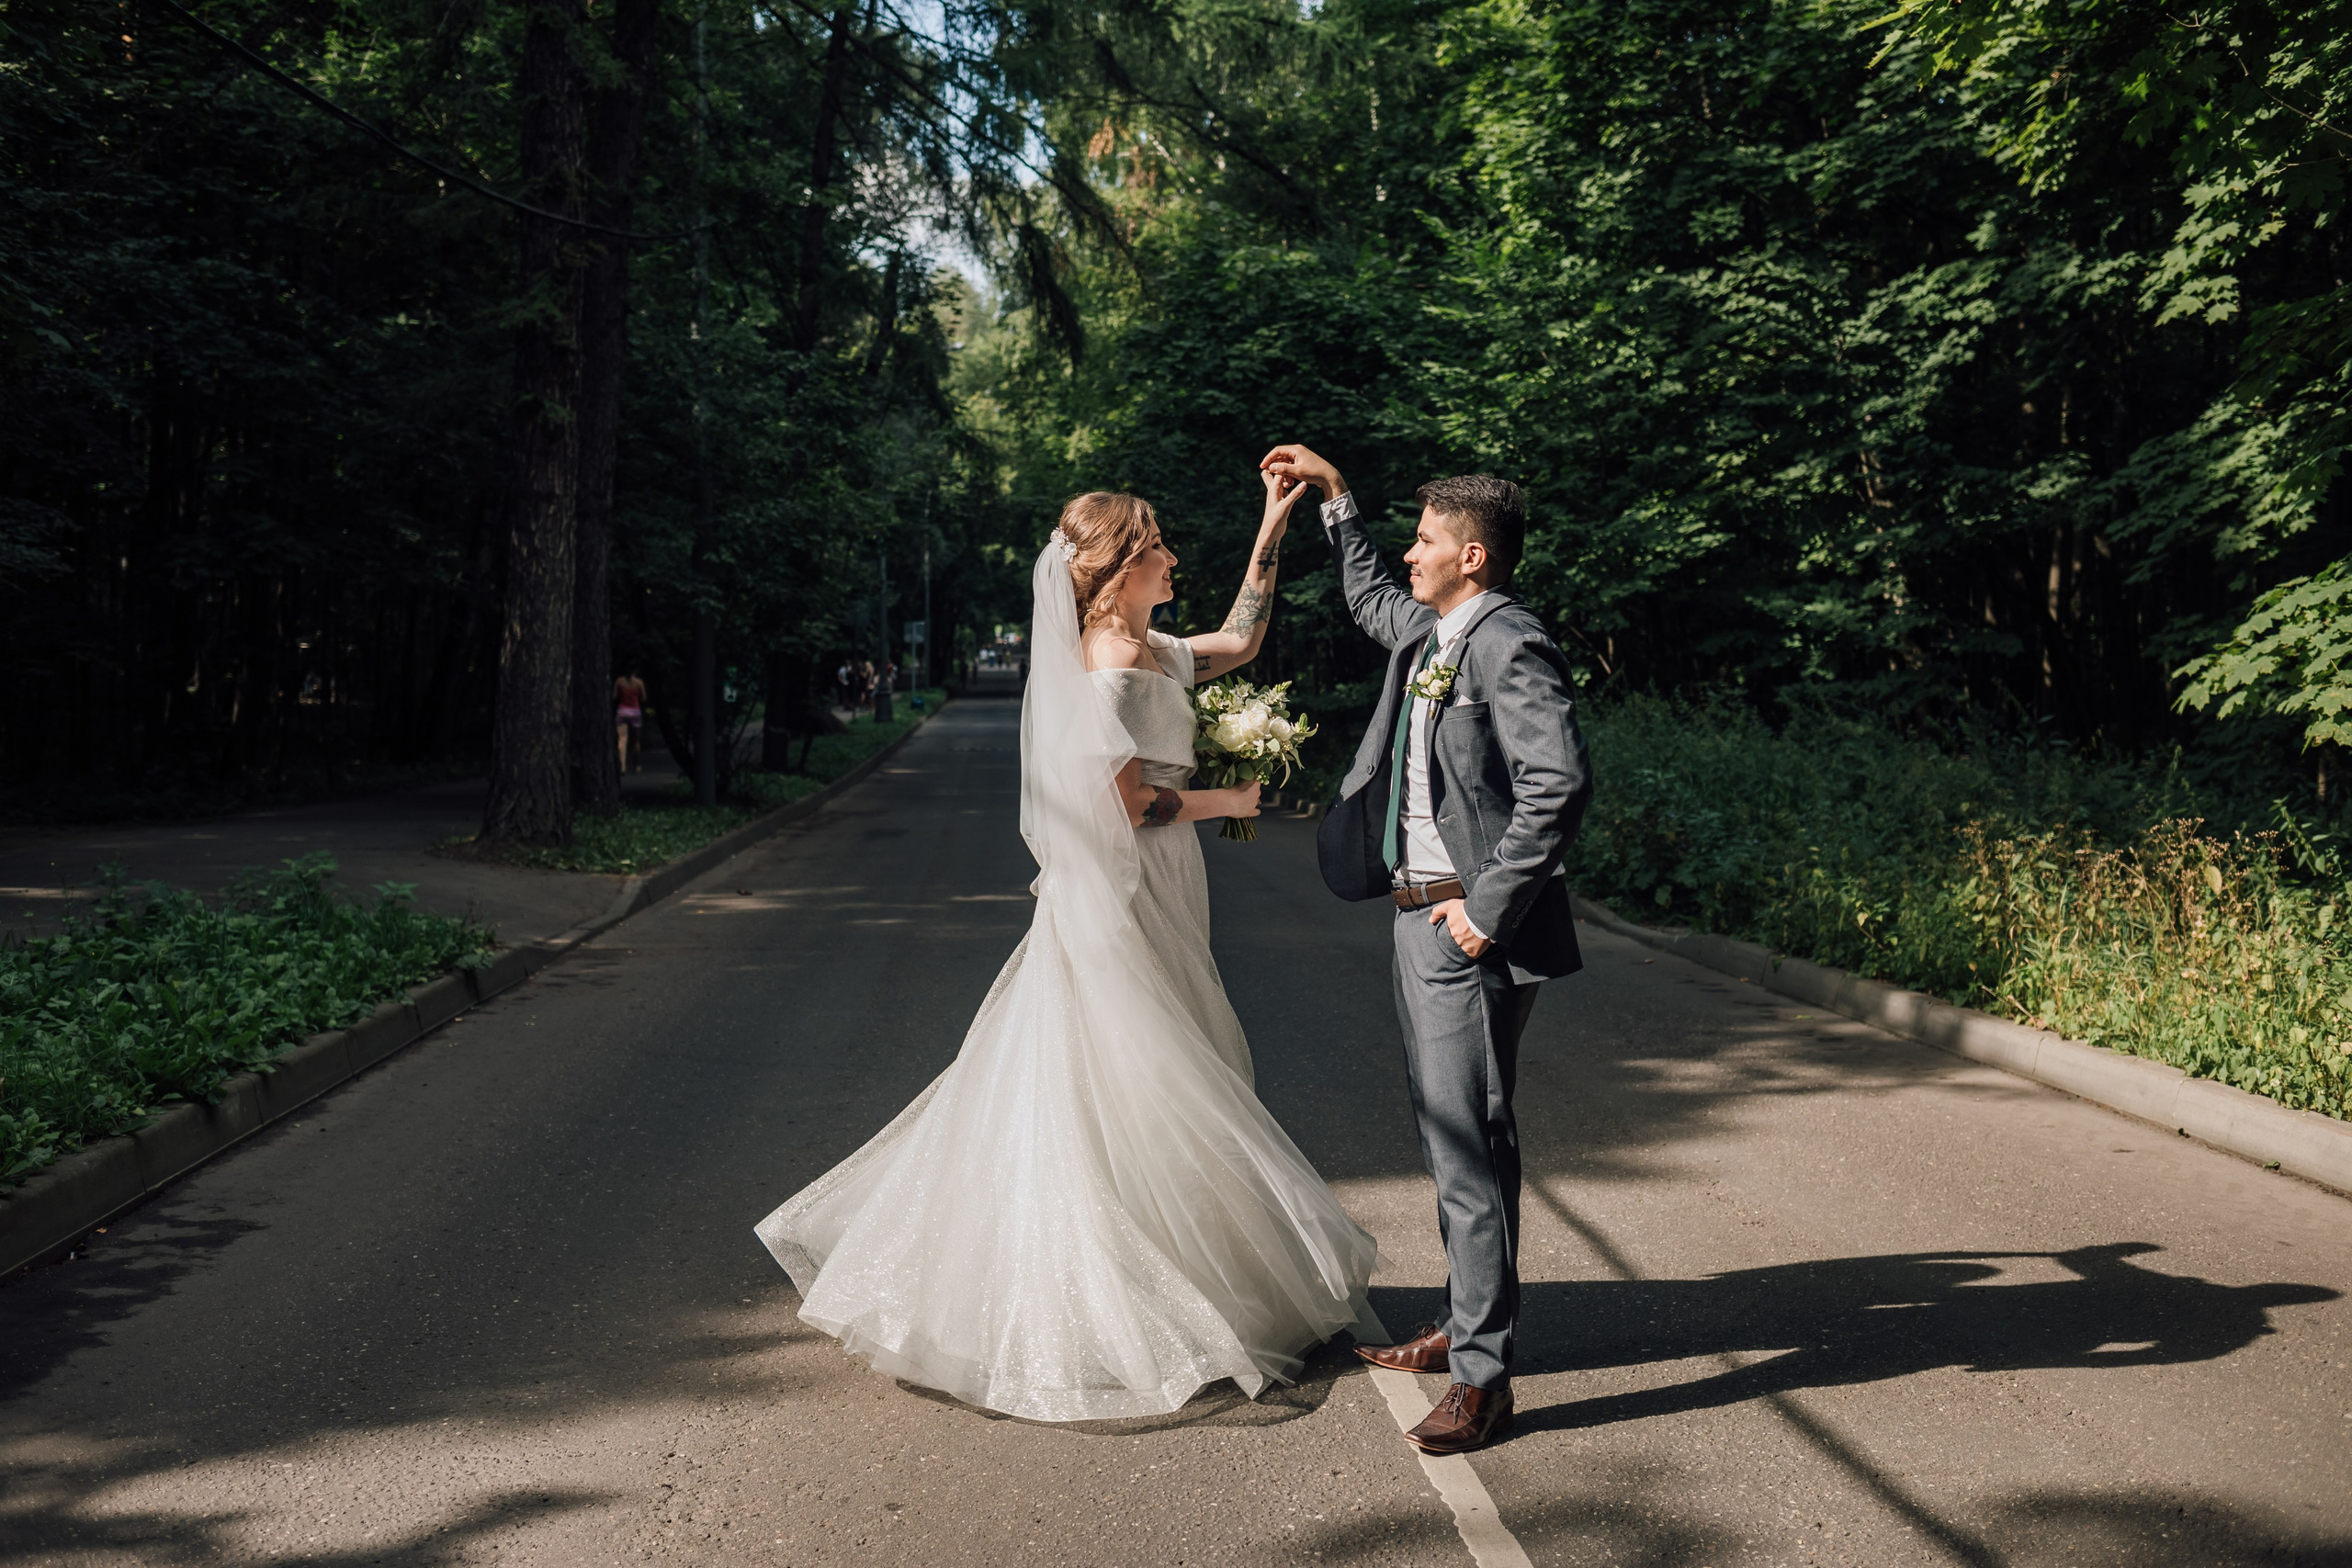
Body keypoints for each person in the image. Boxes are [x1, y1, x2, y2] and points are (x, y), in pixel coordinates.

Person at [754, 477, 1383, 1421]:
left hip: (1165, 878)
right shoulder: (1106, 659)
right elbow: (1124, 805)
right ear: (1121, 568)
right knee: (1143, 1073)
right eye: (1160, 548)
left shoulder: (1154, 648)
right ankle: (1117, 1298)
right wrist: (1229, 802)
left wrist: (1272, 522)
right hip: (1127, 884)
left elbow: (1244, 639)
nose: (1173, 558)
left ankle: (1183, 1270)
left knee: (1162, 1061)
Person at [1261, 442, 1593, 1456]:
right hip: (1419, 918)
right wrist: (1335, 500)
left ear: (1474, 558)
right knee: (1456, 1139)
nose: (1411, 555)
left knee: (1468, 1148)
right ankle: (1463, 1323)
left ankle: (1484, 1381)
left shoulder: (1505, 641)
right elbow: (1369, 597)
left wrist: (1485, 911)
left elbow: (1558, 780)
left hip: (1465, 927)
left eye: (1426, 541)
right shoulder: (1436, 630)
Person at [613, 671, 649, 774]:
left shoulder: (619, 681)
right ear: (636, 670)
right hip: (635, 712)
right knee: (636, 740)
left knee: (622, 739)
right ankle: (636, 765)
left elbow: (614, 696)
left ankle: (623, 767)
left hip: (622, 711)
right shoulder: (639, 682)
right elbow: (644, 698)